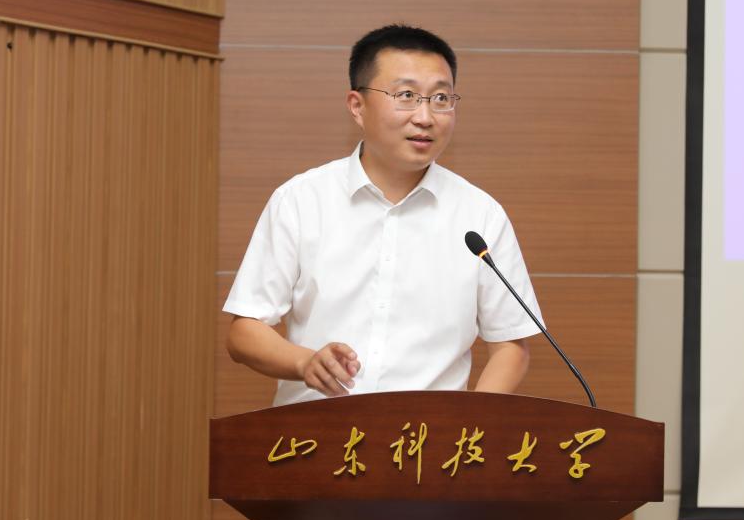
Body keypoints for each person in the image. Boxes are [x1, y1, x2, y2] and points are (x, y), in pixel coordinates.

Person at [223, 24, 543, 405]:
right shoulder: (300, 200)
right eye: (406, 96)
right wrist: (303, 362)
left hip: (428, 436)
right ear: (357, 106)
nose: (425, 116)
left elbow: (510, 345)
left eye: (441, 98)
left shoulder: (481, 215)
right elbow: (244, 331)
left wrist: (467, 422)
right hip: (315, 431)